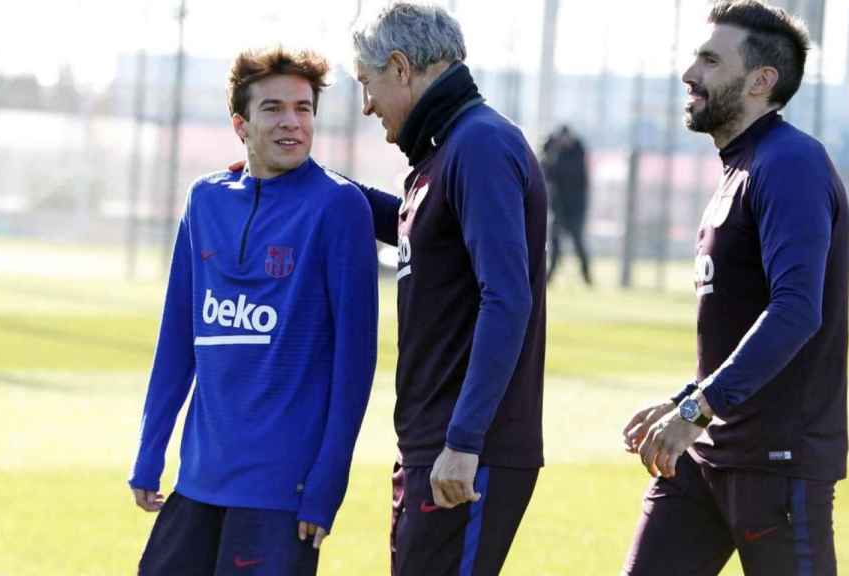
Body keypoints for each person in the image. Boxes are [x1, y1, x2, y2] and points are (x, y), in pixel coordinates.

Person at [128, 46, 378, 575]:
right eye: (273, 109)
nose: (292, 123)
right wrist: (151, 448)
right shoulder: (205, 200)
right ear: (240, 123)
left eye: (303, 108)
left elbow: (355, 365)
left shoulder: (338, 208)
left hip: (281, 492)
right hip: (197, 479)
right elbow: (178, 338)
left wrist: (329, 481)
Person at [622, 1, 849, 574]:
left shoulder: (791, 163)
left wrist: (698, 408)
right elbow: (743, 325)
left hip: (775, 465)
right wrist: (685, 400)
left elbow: (796, 311)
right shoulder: (741, 166)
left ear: (760, 80)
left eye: (708, 60)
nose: (689, 74)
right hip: (708, 456)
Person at [351, 3, 548, 574]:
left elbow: (507, 298)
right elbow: (420, 233)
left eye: (367, 84)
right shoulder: (444, 149)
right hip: (433, 445)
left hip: (464, 451)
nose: (367, 105)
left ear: (399, 67)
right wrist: (312, 182)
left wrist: (464, 440)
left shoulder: (479, 145)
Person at [542, 125, 592, 285]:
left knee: (578, 242)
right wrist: (551, 147)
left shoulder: (577, 153)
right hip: (558, 206)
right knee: (554, 243)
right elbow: (544, 169)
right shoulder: (554, 152)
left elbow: (571, 174)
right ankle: (550, 275)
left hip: (575, 207)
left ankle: (586, 274)